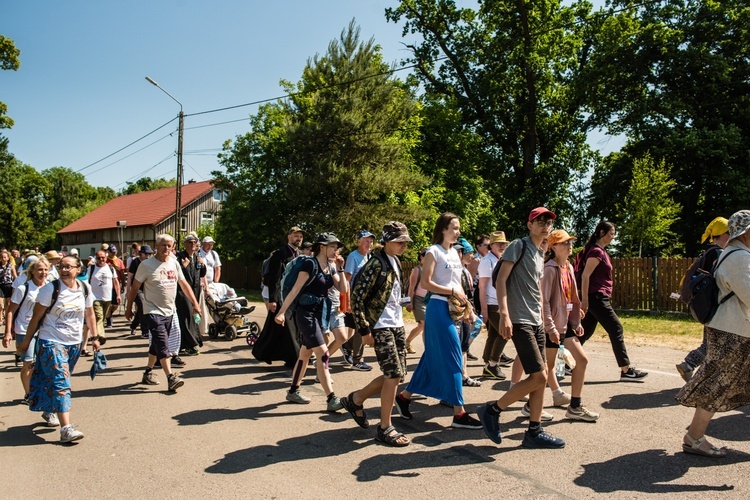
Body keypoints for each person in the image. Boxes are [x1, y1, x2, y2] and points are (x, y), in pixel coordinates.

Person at [477, 207, 566, 448]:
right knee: (538, 375)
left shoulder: (541, 251)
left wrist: (545, 321)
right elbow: (501, 280)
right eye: (539, 220)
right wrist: (504, 314)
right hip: (519, 319)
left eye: (548, 221)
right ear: (529, 224)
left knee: (542, 377)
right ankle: (492, 410)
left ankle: (534, 431)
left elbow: (536, 289)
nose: (545, 224)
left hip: (535, 320)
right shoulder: (519, 245)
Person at [395, 212, 483, 430]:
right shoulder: (433, 252)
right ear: (443, 229)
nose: (458, 231)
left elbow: (458, 283)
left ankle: (404, 397)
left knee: (432, 357)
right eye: (454, 227)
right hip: (437, 307)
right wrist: (452, 290)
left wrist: (469, 309)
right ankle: (459, 413)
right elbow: (427, 282)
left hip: (453, 308)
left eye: (458, 227)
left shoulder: (454, 252)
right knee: (454, 356)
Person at [675, 209, 750, 458]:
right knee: (716, 384)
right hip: (732, 332)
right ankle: (694, 438)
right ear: (747, 232)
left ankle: (694, 437)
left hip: (734, 330)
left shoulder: (735, 254)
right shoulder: (738, 257)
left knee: (718, 383)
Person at [15, 254, 100, 442]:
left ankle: (48, 409)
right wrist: (26, 342)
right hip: (50, 341)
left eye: (68, 267)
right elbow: (35, 318)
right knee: (62, 382)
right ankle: (66, 429)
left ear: (78, 269)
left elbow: (90, 314)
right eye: (61, 266)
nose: (63, 269)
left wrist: (94, 337)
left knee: (52, 380)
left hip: (74, 343)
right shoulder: (49, 289)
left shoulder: (84, 288)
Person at [343, 222, 413, 446]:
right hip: (380, 325)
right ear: (386, 241)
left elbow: (391, 295)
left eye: (405, 242)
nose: (403, 245)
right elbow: (357, 297)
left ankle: (356, 399)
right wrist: (364, 330)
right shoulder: (375, 263)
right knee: (392, 375)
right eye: (399, 241)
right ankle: (385, 427)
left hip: (397, 324)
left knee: (397, 375)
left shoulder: (396, 261)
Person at [275, 233, 348, 411]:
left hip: (319, 313)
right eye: (332, 246)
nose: (336, 250)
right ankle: (331, 399)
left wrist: (340, 269)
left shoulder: (331, 266)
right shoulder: (310, 263)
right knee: (323, 353)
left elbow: (344, 289)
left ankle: (293, 391)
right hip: (305, 313)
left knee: (305, 355)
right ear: (322, 247)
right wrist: (282, 312)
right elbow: (295, 290)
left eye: (336, 247)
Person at [125, 234, 201, 392]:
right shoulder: (146, 265)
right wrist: (129, 307)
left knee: (156, 345)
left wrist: (195, 303)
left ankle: (148, 372)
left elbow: (184, 284)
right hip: (152, 310)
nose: (166, 248)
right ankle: (171, 377)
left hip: (169, 310)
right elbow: (134, 287)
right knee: (162, 343)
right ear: (156, 246)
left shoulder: (174, 263)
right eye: (163, 245)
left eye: (169, 245)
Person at [577, 221, 647, 380]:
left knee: (584, 332)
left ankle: (564, 364)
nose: (613, 237)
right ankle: (626, 370)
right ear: (601, 233)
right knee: (616, 328)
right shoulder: (596, 252)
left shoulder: (597, 250)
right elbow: (585, 276)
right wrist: (585, 300)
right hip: (596, 297)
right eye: (611, 233)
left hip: (596, 296)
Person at [542, 230, 599, 421]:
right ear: (553, 247)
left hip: (566, 325)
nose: (569, 245)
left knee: (581, 360)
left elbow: (572, 298)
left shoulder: (567, 266)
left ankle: (574, 406)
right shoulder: (549, 269)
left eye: (569, 242)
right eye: (564, 243)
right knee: (545, 370)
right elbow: (544, 302)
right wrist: (550, 328)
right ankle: (530, 406)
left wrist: (577, 321)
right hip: (554, 327)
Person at [676, 217, 730, 381]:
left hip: (706, 304)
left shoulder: (708, 251)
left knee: (712, 341)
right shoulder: (717, 253)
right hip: (715, 304)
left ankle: (692, 368)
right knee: (714, 342)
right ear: (721, 234)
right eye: (729, 233)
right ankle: (689, 365)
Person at [252, 226, 304, 366]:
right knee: (287, 327)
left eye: (300, 236)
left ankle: (265, 352)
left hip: (295, 298)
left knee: (277, 329)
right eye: (295, 236)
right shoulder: (280, 254)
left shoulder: (300, 255)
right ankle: (294, 358)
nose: (298, 239)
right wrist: (273, 299)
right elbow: (274, 279)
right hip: (281, 297)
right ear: (289, 237)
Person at [3, 257, 49, 404]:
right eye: (40, 269)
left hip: (44, 330)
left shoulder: (50, 287)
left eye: (45, 269)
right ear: (32, 271)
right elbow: (10, 311)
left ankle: (39, 390)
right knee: (28, 363)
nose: (43, 272)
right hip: (24, 329)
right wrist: (8, 333)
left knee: (42, 364)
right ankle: (29, 395)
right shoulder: (24, 288)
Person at [478, 231, 512, 380]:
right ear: (491, 245)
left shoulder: (500, 260)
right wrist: (484, 310)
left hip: (500, 302)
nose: (502, 246)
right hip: (492, 303)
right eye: (498, 244)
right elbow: (482, 287)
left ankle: (487, 363)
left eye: (504, 244)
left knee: (494, 334)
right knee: (505, 332)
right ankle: (493, 364)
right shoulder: (487, 261)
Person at [343, 230, 376, 371]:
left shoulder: (369, 257)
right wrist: (348, 301)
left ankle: (347, 346)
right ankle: (357, 360)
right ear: (359, 242)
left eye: (371, 241)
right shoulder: (353, 257)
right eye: (366, 241)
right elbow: (347, 280)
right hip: (355, 299)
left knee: (363, 328)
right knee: (361, 328)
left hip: (365, 300)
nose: (369, 244)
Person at [176, 233, 206, 356]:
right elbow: (178, 275)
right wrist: (184, 267)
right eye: (190, 242)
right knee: (187, 316)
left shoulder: (197, 257)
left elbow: (202, 274)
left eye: (195, 242)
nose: (193, 244)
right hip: (183, 292)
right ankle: (191, 344)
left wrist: (203, 264)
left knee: (192, 317)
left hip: (195, 291)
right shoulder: (180, 257)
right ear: (185, 244)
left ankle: (182, 344)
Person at [87, 250, 121, 343]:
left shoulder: (110, 268)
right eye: (98, 258)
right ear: (95, 258)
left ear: (106, 258)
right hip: (95, 297)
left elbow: (116, 282)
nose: (101, 259)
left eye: (103, 258)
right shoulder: (91, 268)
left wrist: (118, 295)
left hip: (107, 297)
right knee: (99, 316)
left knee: (103, 317)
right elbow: (86, 282)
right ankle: (101, 335)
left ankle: (96, 334)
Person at [404, 247, 428, 354]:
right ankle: (428, 351)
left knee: (422, 326)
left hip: (429, 300)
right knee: (424, 325)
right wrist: (409, 302)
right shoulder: (417, 270)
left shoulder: (432, 269)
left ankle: (407, 341)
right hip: (418, 300)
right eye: (424, 255)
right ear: (420, 257)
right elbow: (411, 288)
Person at [127, 244, 154, 336]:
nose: (148, 256)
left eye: (149, 254)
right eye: (146, 254)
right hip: (137, 289)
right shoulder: (135, 262)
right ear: (141, 254)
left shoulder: (150, 262)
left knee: (141, 310)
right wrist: (128, 291)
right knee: (142, 305)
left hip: (147, 288)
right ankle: (145, 330)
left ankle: (134, 325)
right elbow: (130, 277)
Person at [0, 249, 18, 323]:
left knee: (8, 303)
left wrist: (17, 284)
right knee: (0, 303)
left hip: (9, 285)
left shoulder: (11, 266)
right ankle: (0, 318)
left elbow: (15, 276)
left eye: (5, 257)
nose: (4, 259)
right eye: (2, 257)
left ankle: (6, 318)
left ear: (8, 258)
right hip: (0, 285)